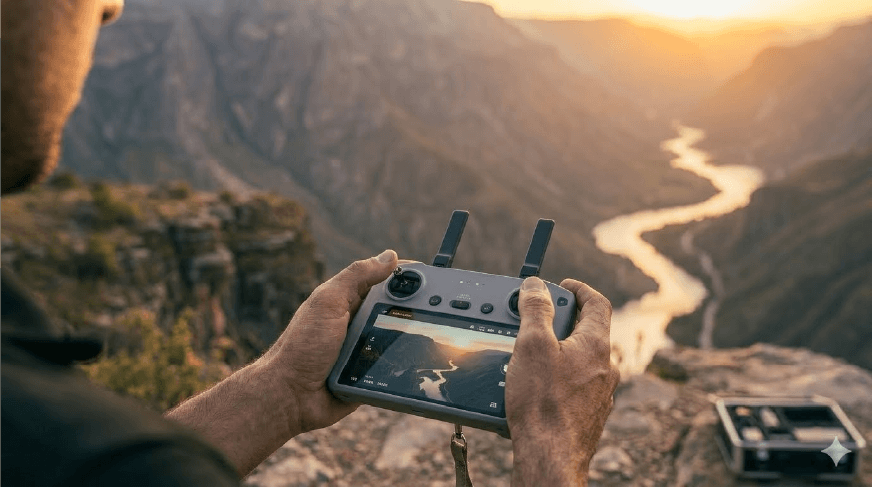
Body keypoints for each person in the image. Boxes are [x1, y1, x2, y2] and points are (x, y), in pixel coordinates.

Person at [0, 0, 621, 485]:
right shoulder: (98, 459)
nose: (111, 9)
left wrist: (283, 387)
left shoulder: (49, 439)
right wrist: (550, 449)